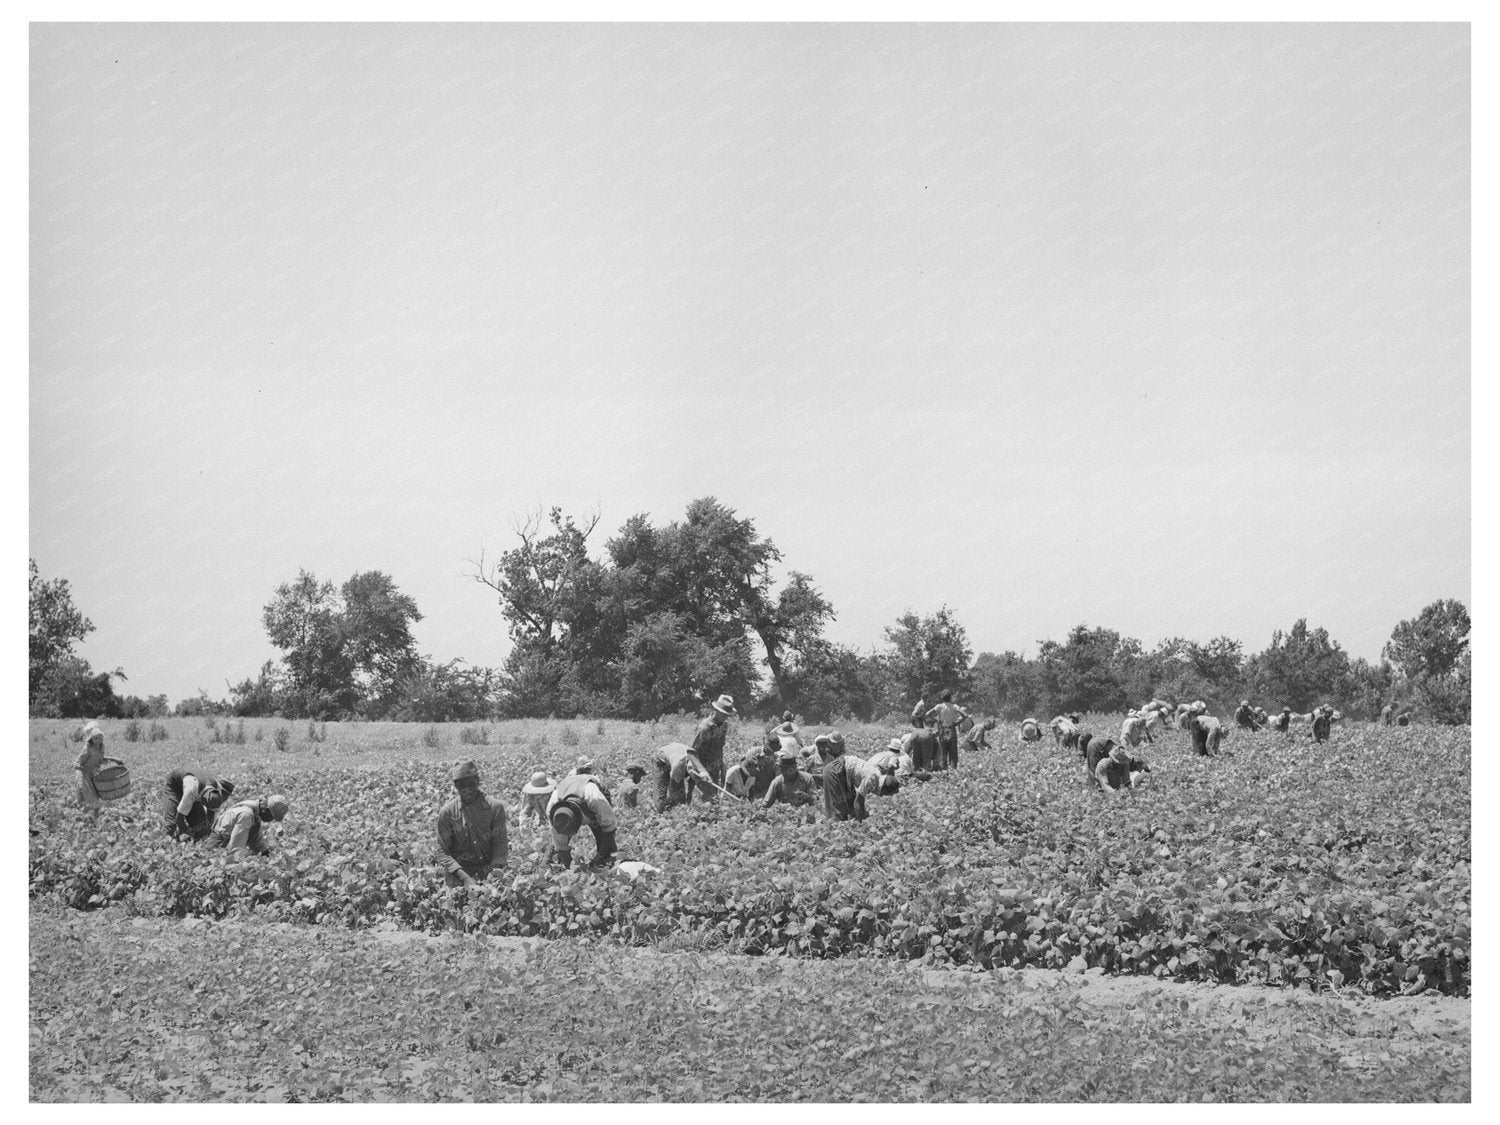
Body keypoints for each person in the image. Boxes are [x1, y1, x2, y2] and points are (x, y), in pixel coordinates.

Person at [435, 761, 507, 886]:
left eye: (470, 783)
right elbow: (443, 852)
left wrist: (493, 873)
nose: (466, 789)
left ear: (477, 781)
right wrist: (466, 879)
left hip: (489, 871)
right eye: (461, 785)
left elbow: (500, 845)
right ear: (455, 786)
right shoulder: (447, 812)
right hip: (459, 874)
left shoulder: (495, 807)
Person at [546, 769, 618, 869]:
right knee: (558, 842)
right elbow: (559, 843)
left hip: (589, 787)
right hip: (569, 788)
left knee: (602, 834)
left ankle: (609, 861)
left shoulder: (594, 798)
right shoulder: (553, 810)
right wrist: (570, 868)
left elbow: (609, 829)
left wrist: (601, 855)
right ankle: (551, 860)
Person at [163, 767, 236, 841]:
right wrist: (183, 831)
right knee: (171, 823)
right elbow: (179, 815)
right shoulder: (192, 789)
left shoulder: (216, 795)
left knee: (201, 829)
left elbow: (210, 817)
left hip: (196, 791)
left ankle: (194, 843)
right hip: (176, 786)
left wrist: (208, 831)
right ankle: (168, 843)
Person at [208, 794, 290, 857]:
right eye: (272, 816)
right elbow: (236, 848)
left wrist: (266, 854)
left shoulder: (256, 812)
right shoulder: (247, 815)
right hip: (218, 845)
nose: (271, 820)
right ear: (266, 810)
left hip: (227, 843)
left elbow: (256, 840)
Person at [690, 694, 736, 796]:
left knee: (714, 800)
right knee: (706, 802)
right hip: (701, 770)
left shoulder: (724, 725)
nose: (726, 717)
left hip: (715, 770)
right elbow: (691, 753)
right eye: (724, 714)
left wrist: (722, 767)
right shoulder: (704, 727)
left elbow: (720, 747)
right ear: (716, 710)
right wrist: (702, 771)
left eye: (728, 714)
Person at [819, 733, 867, 822]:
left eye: (837, 744)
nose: (835, 746)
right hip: (840, 781)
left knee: (841, 804)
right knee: (840, 803)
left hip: (845, 781)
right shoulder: (829, 756)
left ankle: (843, 818)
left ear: (841, 744)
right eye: (833, 744)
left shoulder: (843, 757)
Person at [652, 742, 713, 810]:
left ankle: (678, 810)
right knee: (661, 797)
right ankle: (660, 812)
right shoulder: (678, 766)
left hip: (676, 756)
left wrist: (689, 796)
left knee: (681, 799)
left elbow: (692, 781)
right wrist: (673, 800)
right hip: (661, 760)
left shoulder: (696, 761)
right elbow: (673, 788)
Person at [924, 691, 970, 770]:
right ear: (950, 698)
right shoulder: (954, 706)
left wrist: (936, 721)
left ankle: (944, 771)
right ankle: (953, 770)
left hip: (943, 729)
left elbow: (927, 714)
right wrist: (958, 722)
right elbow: (965, 716)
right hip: (951, 729)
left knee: (943, 752)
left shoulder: (939, 706)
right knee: (953, 752)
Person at [73, 722, 107, 812]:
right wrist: (79, 772)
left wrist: (112, 760)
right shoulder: (88, 748)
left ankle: (92, 810)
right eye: (96, 738)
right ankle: (85, 810)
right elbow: (79, 761)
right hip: (86, 773)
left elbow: (100, 759)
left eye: (100, 738)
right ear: (92, 738)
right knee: (86, 792)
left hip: (94, 773)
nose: (98, 740)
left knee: (95, 793)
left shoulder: (101, 748)